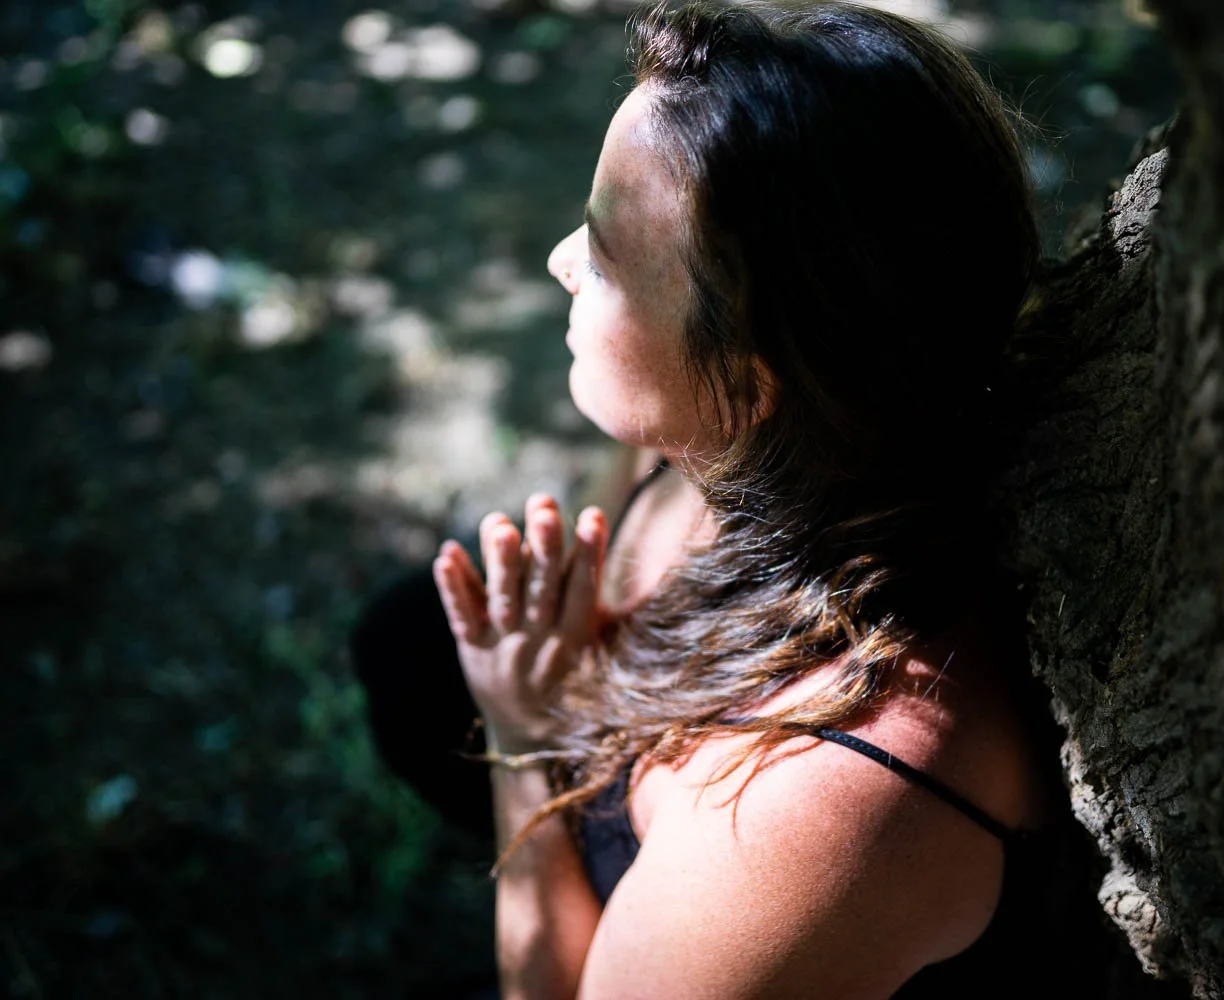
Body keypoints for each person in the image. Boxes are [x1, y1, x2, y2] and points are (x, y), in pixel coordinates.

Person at [356, 1, 1114, 996]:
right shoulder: (762, 436)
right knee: (403, 651)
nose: (559, 263)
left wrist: (521, 735)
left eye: (604, 252)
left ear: (751, 383)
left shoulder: (822, 798)